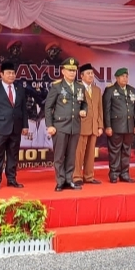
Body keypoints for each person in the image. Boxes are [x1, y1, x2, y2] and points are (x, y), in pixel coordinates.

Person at [45, 57, 88, 191]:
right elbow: (48, 107)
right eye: (69, 70)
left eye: (74, 70)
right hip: (60, 126)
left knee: (71, 156)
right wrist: (49, 125)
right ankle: (60, 181)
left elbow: (85, 103)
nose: (72, 73)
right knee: (59, 156)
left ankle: (69, 180)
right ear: (63, 71)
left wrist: (83, 110)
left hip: (74, 126)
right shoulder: (57, 86)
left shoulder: (80, 87)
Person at [0, 60, 28, 190]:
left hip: (16, 127)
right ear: (1, 74)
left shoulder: (19, 89)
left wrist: (25, 125)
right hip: (0, 128)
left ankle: (11, 179)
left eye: (13, 73)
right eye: (8, 73)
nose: (11, 75)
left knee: (13, 155)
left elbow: (23, 109)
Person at [103, 68, 135, 183]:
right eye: (122, 76)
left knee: (126, 151)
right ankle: (114, 174)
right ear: (117, 78)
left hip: (129, 126)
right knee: (114, 151)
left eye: (126, 76)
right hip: (116, 126)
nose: (125, 78)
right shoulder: (110, 90)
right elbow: (106, 110)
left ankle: (124, 174)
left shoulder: (132, 90)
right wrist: (107, 126)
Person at [73, 63, 104, 185]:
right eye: (88, 73)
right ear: (81, 76)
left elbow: (99, 109)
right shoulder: (76, 88)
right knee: (78, 153)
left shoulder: (97, 90)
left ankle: (89, 176)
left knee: (90, 154)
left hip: (93, 126)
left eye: (92, 73)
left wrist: (100, 125)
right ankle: (76, 177)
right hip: (81, 126)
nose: (91, 76)